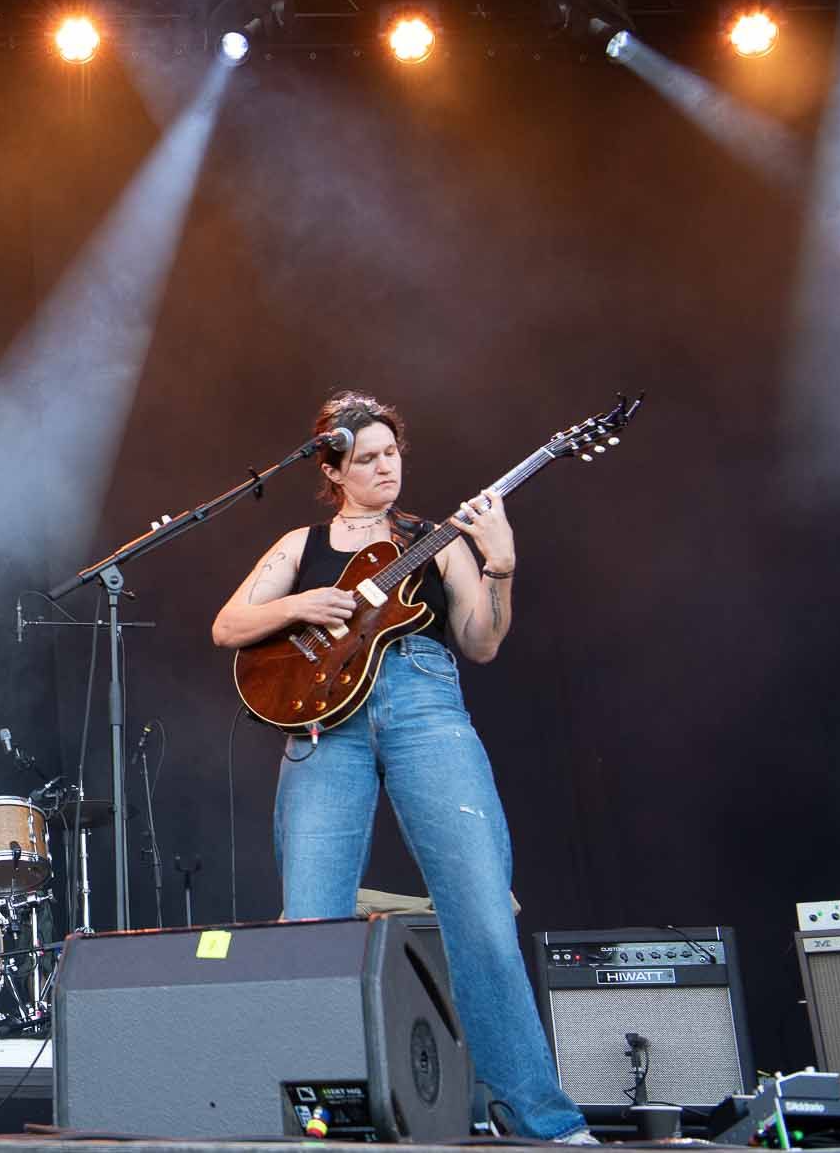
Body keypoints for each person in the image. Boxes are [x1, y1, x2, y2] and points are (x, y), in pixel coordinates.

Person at [210, 390, 594, 1144]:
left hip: (425, 707)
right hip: (326, 726)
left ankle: (537, 1117)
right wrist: (304, 604)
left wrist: (502, 567)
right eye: (370, 456)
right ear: (334, 466)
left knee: (481, 910)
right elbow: (230, 624)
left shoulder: (436, 537)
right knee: (311, 921)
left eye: (393, 453)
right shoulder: (301, 543)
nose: (387, 466)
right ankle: (317, 1119)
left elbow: (481, 643)